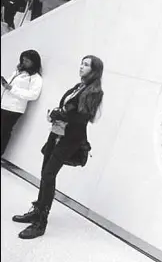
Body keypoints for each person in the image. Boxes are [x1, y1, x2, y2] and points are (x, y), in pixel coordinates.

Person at [12, 55, 104, 240]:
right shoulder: (79, 87)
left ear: (94, 70)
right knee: (45, 171)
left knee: (49, 174)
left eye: (86, 65)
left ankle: (41, 222)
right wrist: (58, 114)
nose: (81, 66)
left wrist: (59, 114)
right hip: (57, 133)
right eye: (81, 63)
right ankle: (37, 210)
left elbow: (82, 119)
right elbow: (68, 109)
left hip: (70, 139)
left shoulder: (94, 92)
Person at [1, 49, 43, 157]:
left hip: (14, 109)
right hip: (4, 104)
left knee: (4, 131)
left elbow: (33, 95)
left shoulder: (36, 78)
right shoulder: (18, 72)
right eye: (23, 60)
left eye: (27, 61)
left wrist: (12, 89)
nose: (24, 63)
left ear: (34, 62)